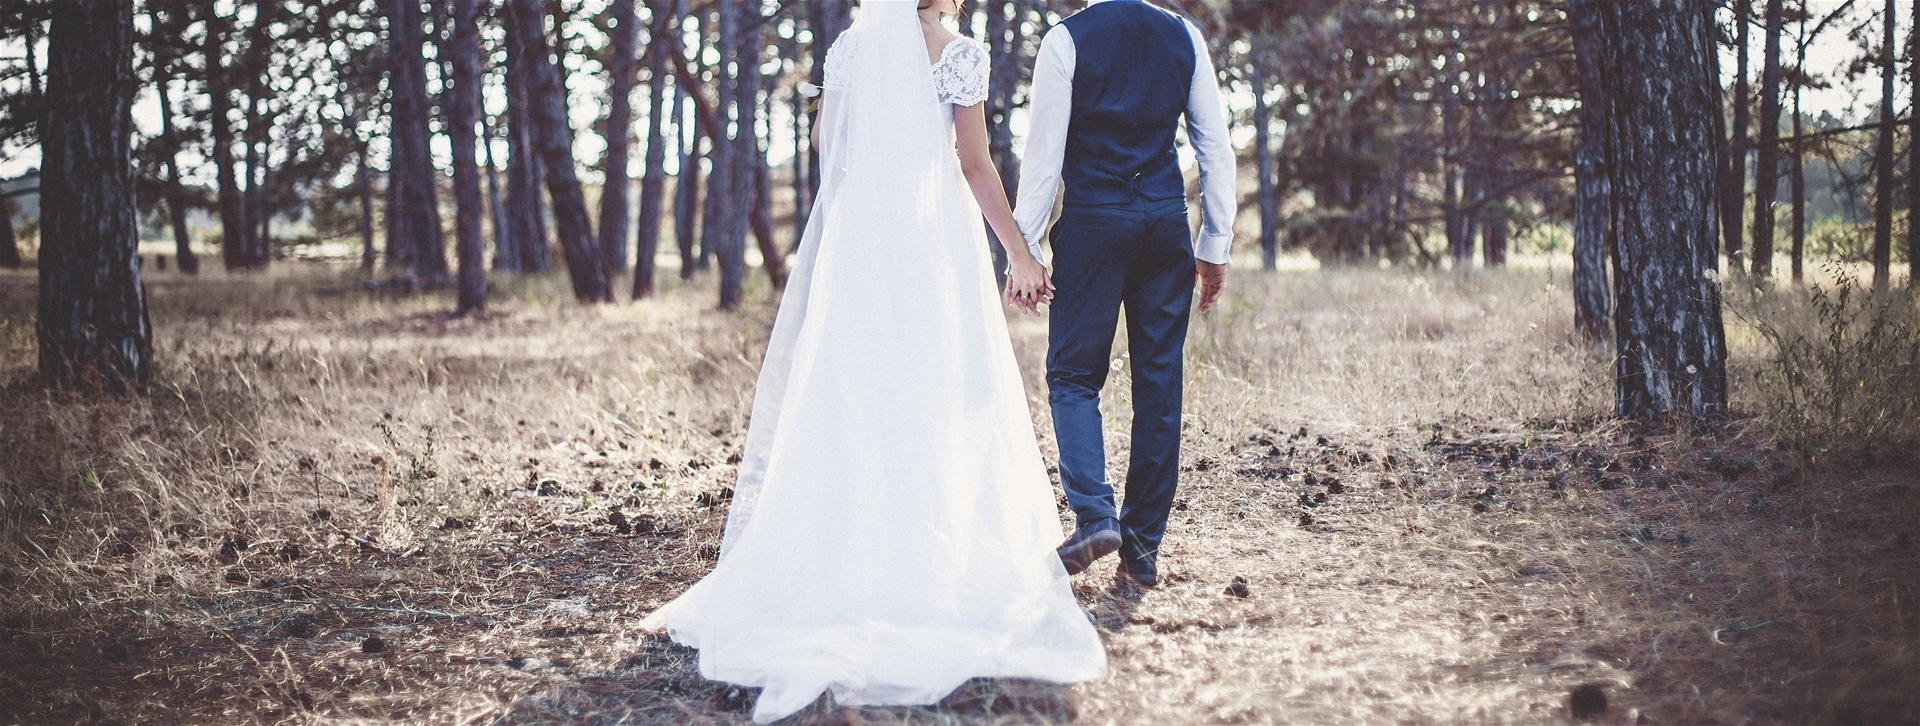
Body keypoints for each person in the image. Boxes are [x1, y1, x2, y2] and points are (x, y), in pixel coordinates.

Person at [639, 1, 1105, 722]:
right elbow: (975, 165)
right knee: (936, 391)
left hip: (860, 241)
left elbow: (829, 140)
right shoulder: (957, 52)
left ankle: (843, 559)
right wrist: (1018, 249)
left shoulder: (851, 49)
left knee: (854, 391)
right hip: (929, 239)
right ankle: (927, 564)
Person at [1013, 0, 1236, 589]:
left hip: (1093, 226)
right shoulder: (1183, 35)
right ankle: (1141, 554)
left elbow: (1044, 157)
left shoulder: (1066, 41)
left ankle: (1094, 515)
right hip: (1165, 226)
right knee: (1159, 385)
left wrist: (1025, 246)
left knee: (1072, 377)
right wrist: (1215, 242)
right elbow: (1214, 146)